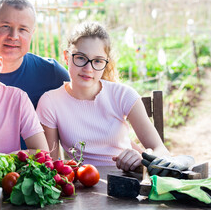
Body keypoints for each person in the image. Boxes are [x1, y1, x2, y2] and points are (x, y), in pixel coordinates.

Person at [36, 21, 171, 171]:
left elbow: (161, 150)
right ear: (67, 57)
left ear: (106, 63)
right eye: (80, 57)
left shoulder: (123, 95)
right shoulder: (50, 102)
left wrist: (143, 157)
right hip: (84, 185)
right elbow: (51, 165)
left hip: (128, 179)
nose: (88, 69)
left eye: (98, 61)